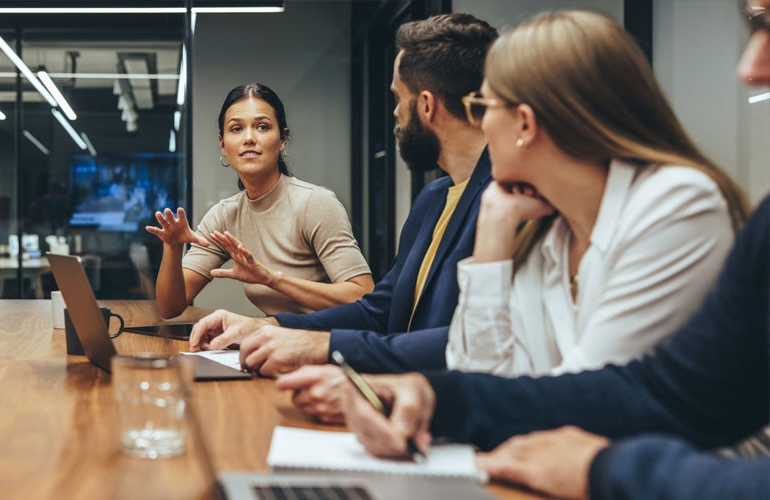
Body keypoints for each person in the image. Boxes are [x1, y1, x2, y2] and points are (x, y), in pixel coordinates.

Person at [338, 3, 770, 498]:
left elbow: (598, 407)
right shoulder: (545, 226)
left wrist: (447, 401)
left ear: (523, 124)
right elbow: (482, 373)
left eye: (483, 107)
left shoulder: (677, 203)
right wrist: (494, 236)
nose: (477, 125)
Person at [188, 14, 498, 376]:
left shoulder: (508, 203)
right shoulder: (433, 199)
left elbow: (476, 344)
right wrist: (269, 327)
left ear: (426, 105)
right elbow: (379, 310)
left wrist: (320, 346)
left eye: (399, 98)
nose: (395, 112)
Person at [148, 83, 373, 318]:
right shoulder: (225, 215)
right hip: (275, 344)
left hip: (330, 346)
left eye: (262, 127)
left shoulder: (315, 203)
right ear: (222, 144)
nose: (248, 138)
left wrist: (271, 278)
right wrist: (173, 249)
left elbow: (362, 298)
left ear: (283, 139)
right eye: (236, 129)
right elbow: (170, 307)